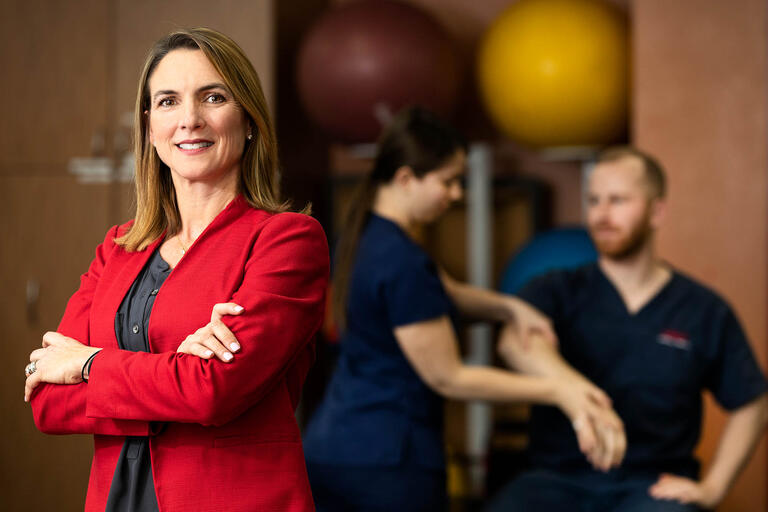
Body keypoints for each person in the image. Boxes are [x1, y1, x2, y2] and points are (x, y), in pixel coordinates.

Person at [23, 28, 328, 512]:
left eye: (213, 97)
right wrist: (177, 376)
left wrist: (87, 364)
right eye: (167, 101)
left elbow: (213, 391)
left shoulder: (286, 240)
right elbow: (47, 402)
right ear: (149, 127)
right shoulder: (117, 249)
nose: (189, 119)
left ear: (247, 119)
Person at [301, 107, 625, 512]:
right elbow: (450, 377)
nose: (457, 194)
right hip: (382, 464)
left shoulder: (369, 234)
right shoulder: (401, 261)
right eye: (448, 182)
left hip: (338, 446)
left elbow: (446, 291)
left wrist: (509, 309)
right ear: (405, 179)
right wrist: (559, 390)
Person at [490, 146, 768, 511]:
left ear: (657, 212)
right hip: (556, 480)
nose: (602, 214)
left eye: (618, 200)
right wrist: (573, 390)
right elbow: (514, 342)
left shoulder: (703, 309)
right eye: (593, 200)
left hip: (651, 487)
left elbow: (753, 402)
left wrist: (713, 487)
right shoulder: (556, 288)